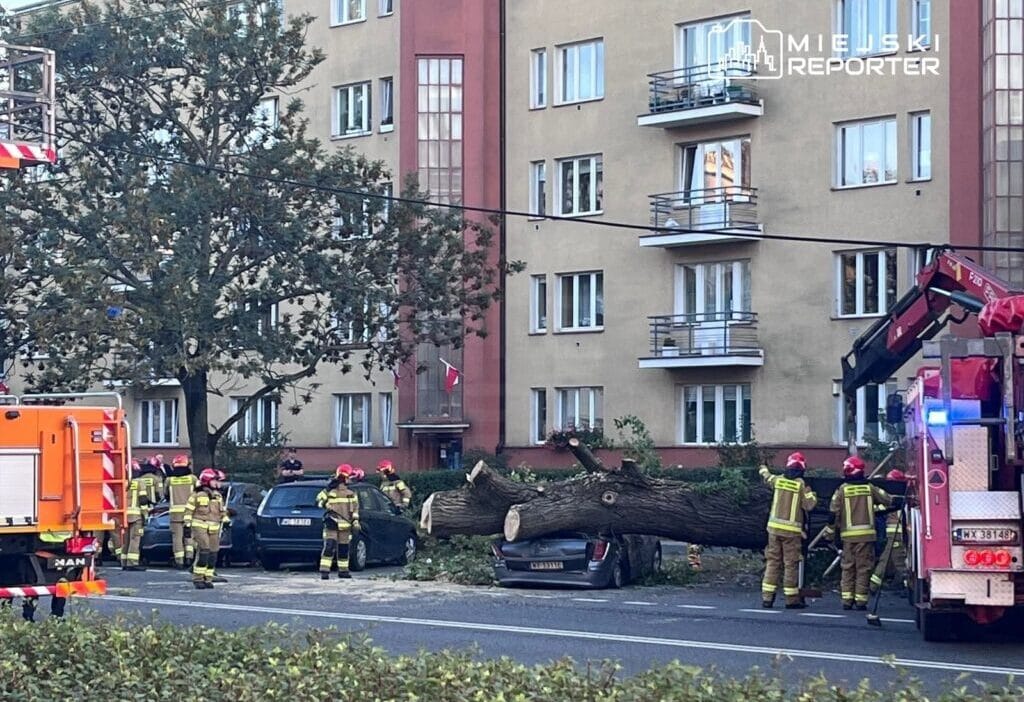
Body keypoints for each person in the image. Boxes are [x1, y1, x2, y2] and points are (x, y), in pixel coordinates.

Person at [826, 456, 893, 610]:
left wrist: (830, 533)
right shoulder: (869, 488)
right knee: (863, 568)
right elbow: (887, 499)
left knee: (848, 567)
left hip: (848, 537)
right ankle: (861, 601)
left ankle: (846, 601)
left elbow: (833, 512)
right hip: (866, 537)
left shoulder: (842, 490)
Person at [758, 452, 818, 609]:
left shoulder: (778, 481)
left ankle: (767, 598)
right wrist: (812, 493)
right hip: (791, 533)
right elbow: (809, 505)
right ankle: (792, 600)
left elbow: (767, 477)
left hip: (773, 530)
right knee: (790, 565)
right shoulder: (801, 485)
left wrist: (763, 467)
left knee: (772, 562)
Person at [184, 468, 230, 589]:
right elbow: (188, 510)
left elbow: (222, 512)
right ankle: (198, 578)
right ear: (208, 480)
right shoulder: (197, 495)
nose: (219, 483)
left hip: (214, 528)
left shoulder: (218, 496)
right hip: (200, 526)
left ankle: (208, 578)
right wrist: (187, 525)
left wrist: (226, 520)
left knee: (213, 554)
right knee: (204, 551)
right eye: (216, 481)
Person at [316, 464, 360, 580]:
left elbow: (355, 509)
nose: (351, 479)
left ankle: (343, 571)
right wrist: (326, 501)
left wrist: (355, 521)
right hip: (332, 523)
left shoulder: (351, 493)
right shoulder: (329, 491)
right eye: (349, 477)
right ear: (344, 477)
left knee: (344, 549)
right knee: (329, 546)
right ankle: (324, 571)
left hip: (346, 526)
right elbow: (318, 501)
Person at [122, 456, 165, 571]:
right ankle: (132, 562)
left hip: (123, 516)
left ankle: (124, 561)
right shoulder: (140, 482)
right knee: (135, 539)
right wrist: (145, 515)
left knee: (125, 539)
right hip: (136, 515)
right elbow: (143, 500)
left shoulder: (122, 483)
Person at [870, 469, 907, 594]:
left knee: (898, 561)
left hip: (897, 533)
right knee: (887, 560)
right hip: (896, 533)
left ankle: (907, 587)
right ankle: (874, 586)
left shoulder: (896, 497)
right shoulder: (901, 495)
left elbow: (883, 508)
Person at [165, 455, 197, 568]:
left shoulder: (170, 480)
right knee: (189, 536)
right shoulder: (192, 479)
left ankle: (179, 561)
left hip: (175, 514)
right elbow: (198, 493)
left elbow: (166, 495)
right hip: (190, 512)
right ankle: (189, 558)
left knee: (177, 538)